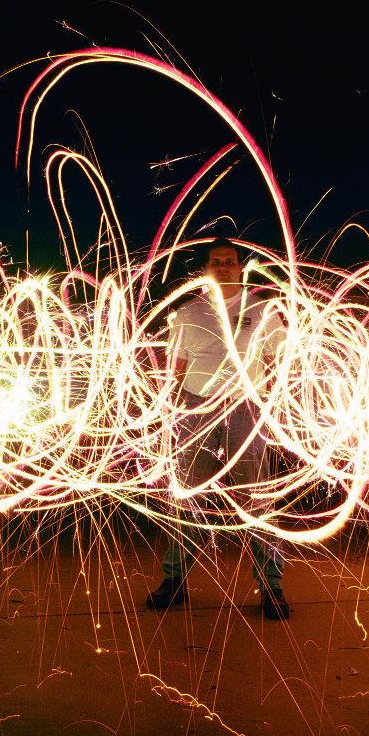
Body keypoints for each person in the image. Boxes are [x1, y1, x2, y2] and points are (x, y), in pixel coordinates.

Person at [146, 238, 289, 620]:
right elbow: (174, 370)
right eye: (216, 261)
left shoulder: (262, 310)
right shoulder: (188, 312)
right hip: (196, 411)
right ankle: (174, 583)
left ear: (241, 268)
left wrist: (267, 408)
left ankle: (271, 588)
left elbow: (275, 364)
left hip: (245, 409)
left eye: (230, 261)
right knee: (188, 499)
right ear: (206, 269)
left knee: (258, 500)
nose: (223, 266)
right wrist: (170, 414)